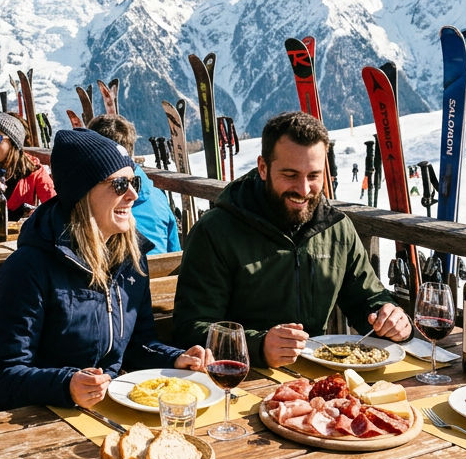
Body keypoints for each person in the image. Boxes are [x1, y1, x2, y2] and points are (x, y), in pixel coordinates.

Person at [0, 128, 207, 413]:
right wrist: (66, 385)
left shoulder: (129, 257)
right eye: (119, 184)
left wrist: (176, 359)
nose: (133, 194)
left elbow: (138, 344)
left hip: (106, 408)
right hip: (39, 417)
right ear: (82, 193)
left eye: (134, 181)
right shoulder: (29, 268)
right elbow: (2, 376)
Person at [173, 112, 409, 368]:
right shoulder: (216, 231)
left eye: (313, 176)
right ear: (263, 168)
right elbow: (190, 328)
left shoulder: (337, 229)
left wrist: (390, 318)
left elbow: (367, 300)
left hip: (320, 376)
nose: (304, 189)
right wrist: (260, 347)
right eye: (290, 174)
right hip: (241, 380)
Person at [87, 114, 181, 255]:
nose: (132, 194)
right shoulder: (157, 196)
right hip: (162, 275)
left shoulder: (92, 201)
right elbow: (174, 253)